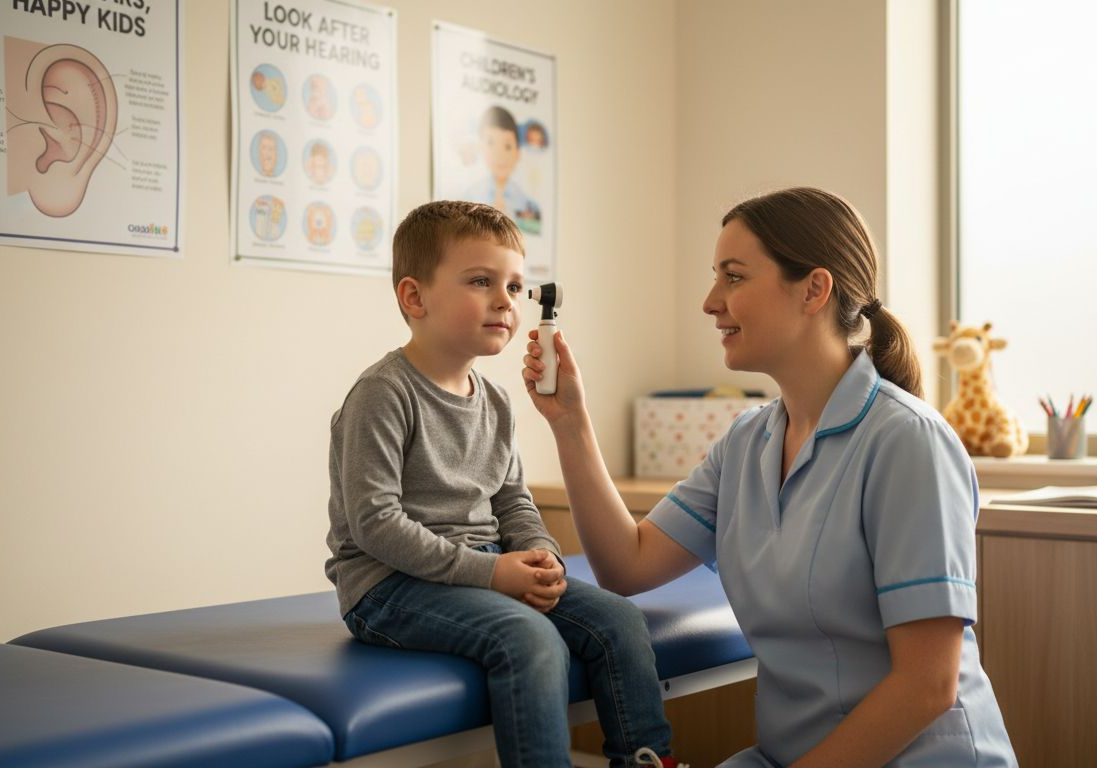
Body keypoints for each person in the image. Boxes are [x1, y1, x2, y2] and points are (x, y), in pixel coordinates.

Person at [523, 187, 1017, 767]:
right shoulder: (747, 443)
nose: (710, 302)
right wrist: (570, 423)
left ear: (814, 289)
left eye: (733, 277)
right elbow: (626, 565)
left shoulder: (907, 441)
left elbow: (927, 687)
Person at [325, 200, 685, 768]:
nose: (505, 301)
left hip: (483, 568)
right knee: (530, 638)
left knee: (618, 620)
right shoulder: (383, 394)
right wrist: (492, 573)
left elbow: (511, 498)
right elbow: (374, 524)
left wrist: (538, 553)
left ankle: (644, 760)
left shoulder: (493, 400)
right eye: (480, 281)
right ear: (414, 298)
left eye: (515, 287)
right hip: (388, 586)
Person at [464, 106, 542, 232]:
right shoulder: (470, 197)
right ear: (480, 148)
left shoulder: (527, 204)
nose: (499, 154)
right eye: (490, 143)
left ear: (518, 153)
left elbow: (533, 235)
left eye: (507, 146)